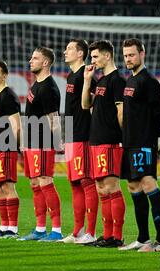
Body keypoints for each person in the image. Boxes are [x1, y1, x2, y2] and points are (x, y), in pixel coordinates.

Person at [118, 38, 160, 252]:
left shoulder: (149, 81)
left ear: (142, 54)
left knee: (148, 183)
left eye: (132, 55)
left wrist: (157, 137)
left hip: (144, 143)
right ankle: (142, 238)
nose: (128, 59)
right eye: (126, 55)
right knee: (133, 186)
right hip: (129, 142)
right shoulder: (130, 80)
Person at [81, 40, 126, 248]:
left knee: (111, 186)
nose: (93, 61)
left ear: (107, 56)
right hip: (96, 139)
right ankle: (107, 235)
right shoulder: (99, 80)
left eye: (96, 57)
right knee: (100, 187)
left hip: (109, 140)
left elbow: (121, 111)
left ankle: (117, 236)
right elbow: (85, 104)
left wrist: (123, 137)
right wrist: (87, 80)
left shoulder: (117, 80)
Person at [18, 47, 64, 242]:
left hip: (43, 142)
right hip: (32, 142)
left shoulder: (48, 88)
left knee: (45, 181)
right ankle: (39, 229)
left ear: (45, 63)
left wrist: (57, 143)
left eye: (35, 58)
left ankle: (56, 230)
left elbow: (53, 118)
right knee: (35, 184)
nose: (31, 61)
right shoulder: (36, 85)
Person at [58, 39, 99, 244]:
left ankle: (90, 232)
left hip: (83, 134)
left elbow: (94, 105)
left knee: (86, 182)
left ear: (80, 53)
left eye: (69, 49)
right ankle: (77, 231)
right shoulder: (71, 76)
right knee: (74, 184)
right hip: (71, 135)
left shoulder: (87, 74)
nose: (65, 52)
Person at [0, 61, 21, 239]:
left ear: (4, 76)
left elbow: (16, 124)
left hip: (6, 147)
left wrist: (14, 147)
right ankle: (3, 226)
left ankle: (12, 229)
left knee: (7, 186)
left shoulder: (8, 96)